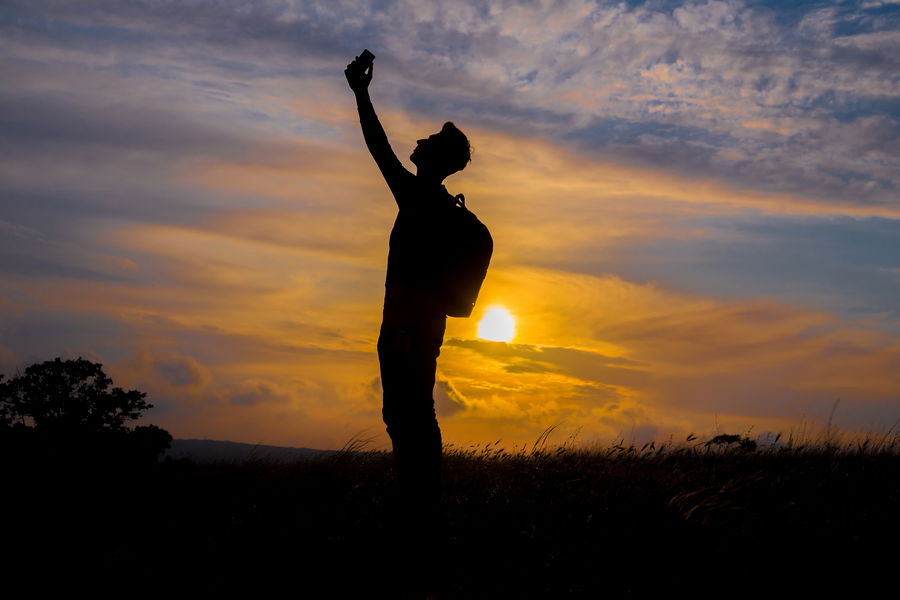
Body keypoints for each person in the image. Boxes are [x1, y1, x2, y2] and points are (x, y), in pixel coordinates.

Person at [344, 53, 473, 508]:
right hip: (422, 328)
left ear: (438, 157)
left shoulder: (420, 199)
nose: (419, 139)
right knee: (415, 412)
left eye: (430, 139)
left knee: (406, 415)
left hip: (405, 329)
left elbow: (378, 147)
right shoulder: (440, 206)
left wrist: (361, 94)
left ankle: (419, 504)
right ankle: (422, 500)